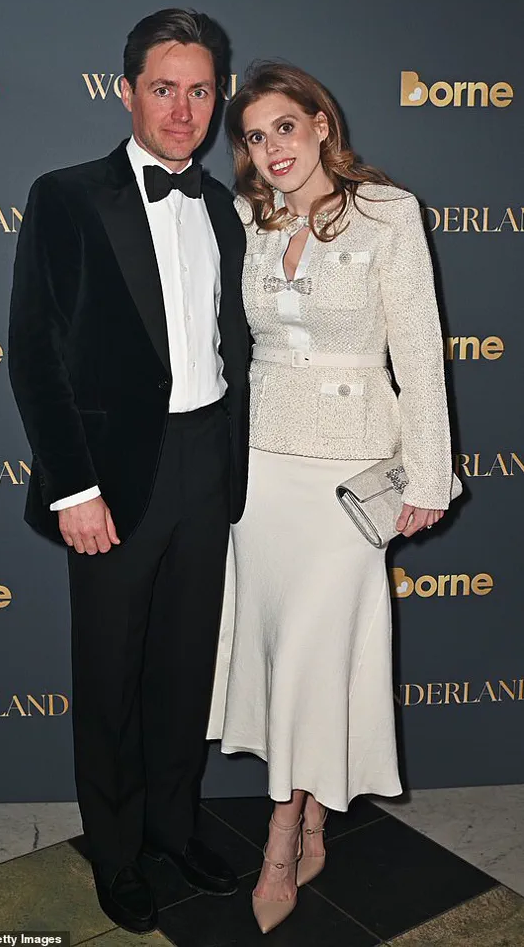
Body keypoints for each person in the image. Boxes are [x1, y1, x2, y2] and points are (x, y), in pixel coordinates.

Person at [8, 9, 250, 936]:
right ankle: (115, 854)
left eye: (199, 91)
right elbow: (35, 353)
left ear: (218, 97)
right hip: (110, 478)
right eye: (163, 88)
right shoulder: (66, 196)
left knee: (184, 670)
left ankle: (174, 828)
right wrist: (72, 487)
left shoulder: (224, 207)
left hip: (206, 464)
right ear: (126, 93)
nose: (182, 110)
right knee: (110, 675)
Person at [207, 62, 454, 934]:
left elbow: (418, 354)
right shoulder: (245, 218)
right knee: (283, 655)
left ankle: (282, 835)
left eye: (283, 126)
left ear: (321, 123)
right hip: (259, 468)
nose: (269, 148)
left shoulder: (388, 213)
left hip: (349, 475)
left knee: (318, 654)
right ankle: (309, 813)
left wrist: (428, 476)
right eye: (253, 136)